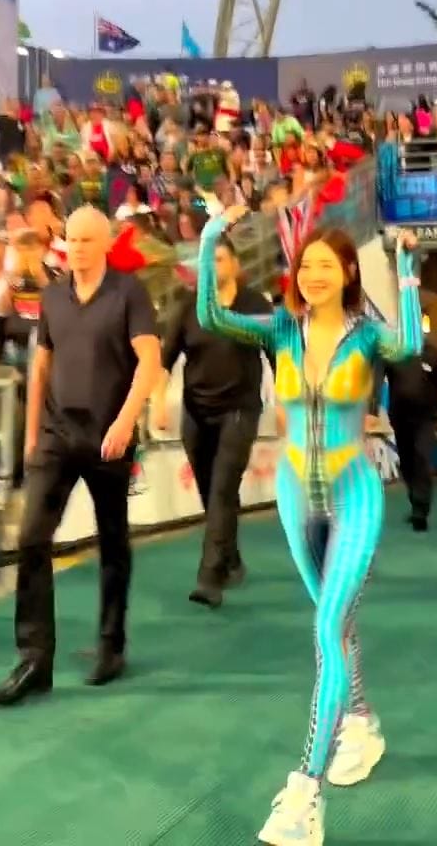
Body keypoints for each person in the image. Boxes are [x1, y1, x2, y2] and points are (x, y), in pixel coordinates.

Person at [196, 205, 423, 846]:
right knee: (337, 624)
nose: (313, 275)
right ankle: (361, 722)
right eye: (305, 266)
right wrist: (213, 236)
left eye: (326, 265)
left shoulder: (368, 336)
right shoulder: (279, 329)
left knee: (326, 628)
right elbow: (211, 316)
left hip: (355, 494)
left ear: (348, 272)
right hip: (295, 495)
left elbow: (410, 343)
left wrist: (407, 267)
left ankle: (305, 792)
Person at [0, 206, 161, 707]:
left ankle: (111, 644)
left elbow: (149, 360)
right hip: (56, 434)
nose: (79, 247)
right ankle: (33, 659)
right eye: (72, 239)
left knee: (113, 539)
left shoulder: (129, 293)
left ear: (105, 243)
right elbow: (41, 365)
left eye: (88, 239)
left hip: (109, 436)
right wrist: (31, 434)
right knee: (31, 539)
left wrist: (126, 421)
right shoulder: (53, 296)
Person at [151, 231, 273, 608]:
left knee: (222, 488)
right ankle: (230, 557)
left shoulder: (255, 305)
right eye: (208, 262)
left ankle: (209, 577)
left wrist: (286, 401)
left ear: (235, 264)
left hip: (240, 409)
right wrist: (158, 401)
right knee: (211, 491)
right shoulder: (189, 306)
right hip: (196, 412)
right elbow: (165, 360)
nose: (213, 267)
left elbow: (278, 352)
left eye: (219, 260)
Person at [374, 334, 437, 532]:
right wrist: (370, 411)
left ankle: (421, 512)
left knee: (421, 457)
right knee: (407, 463)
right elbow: (375, 382)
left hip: (426, 417)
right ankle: (416, 502)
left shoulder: (432, 353)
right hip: (400, 417)